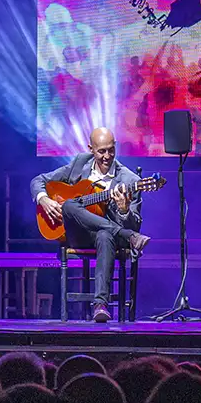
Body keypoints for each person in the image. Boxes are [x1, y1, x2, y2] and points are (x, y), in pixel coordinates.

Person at [31, 126, 151, 323]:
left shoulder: (130, 180)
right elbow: (38, 181)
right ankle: (125, 234)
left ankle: (100, 305)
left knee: (105, 235)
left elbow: (135, 223)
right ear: (91, 149)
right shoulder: (80, 163)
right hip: (77, 234)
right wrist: (43, 199)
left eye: (111, 150)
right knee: (70, 204)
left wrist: (123, 210)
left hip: (106, 240)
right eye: (101, 151)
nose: (107, 156)